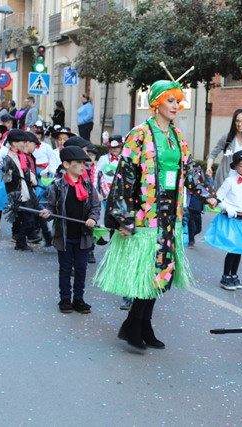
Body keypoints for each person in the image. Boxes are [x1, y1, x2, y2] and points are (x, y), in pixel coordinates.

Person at [94, 78, 216, 352]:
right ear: (156, 103)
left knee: (161, 274)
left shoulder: (177, 136)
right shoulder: (139, 134)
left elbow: (191, 168)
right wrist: (122, 216)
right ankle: (135, 326)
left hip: (170, 215)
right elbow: (125, 176)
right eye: (170, 100)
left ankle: (141, 325)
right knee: (146, 274)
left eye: (178, 100)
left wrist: (205, 193)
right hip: (144, 214)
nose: (176, 105)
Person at [40, 146, 101, 313]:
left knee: (81, 269)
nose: (83, 166)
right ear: (66, 164)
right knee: (65, 269)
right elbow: (52, 208)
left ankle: (79, 299)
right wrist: (48, 213)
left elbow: (96, 206)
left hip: (83, 236)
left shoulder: (88, 186)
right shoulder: (58, 186)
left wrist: (92, 219)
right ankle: (65, 299)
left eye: (84, 163)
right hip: (64, 236)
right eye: (79, 163)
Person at [204, 150, 242, 290]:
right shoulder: (230, 181)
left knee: (239, 249)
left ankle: (234, 275)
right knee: (233, 249)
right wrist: (228, 208)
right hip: (232, 219)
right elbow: (219, 198)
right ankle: (226, 276)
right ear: (235, 167)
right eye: (241, 165)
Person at [206, 108, 242, 191]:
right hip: (225, 180)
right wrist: (208, 167)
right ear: (233, 122)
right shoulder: (227, 137)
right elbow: (213, 154)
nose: (240, 124)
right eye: (237, 121)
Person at [2, 129, 38, 251]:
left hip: (26, 190)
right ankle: (20, 241)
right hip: (16, 193)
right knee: (24, 218)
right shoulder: (8, 158)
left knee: (29, 218)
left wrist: (33, 178)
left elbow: (28, 170)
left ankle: (20, 240)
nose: (24, 144)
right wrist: (9, 173)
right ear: (14, 143)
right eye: (22, 141)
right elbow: (5, 179)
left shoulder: (23, 157)